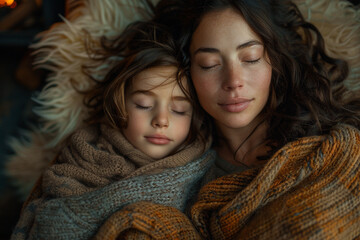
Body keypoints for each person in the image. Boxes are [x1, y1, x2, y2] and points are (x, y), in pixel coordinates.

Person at [148, 0, 360, 239]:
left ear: (274, 60)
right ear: (187, 72)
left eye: (250, 58)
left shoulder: (334, 148)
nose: (233, 81)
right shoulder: (178, 176)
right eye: (210, 65)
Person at [10, 20, 215, 240]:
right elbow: (52, 220)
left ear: (196, 117)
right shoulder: (82, 157)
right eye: (144, 105)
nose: (161, 120)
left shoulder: (204, 174)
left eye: (179, 109)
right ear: (119, 105)